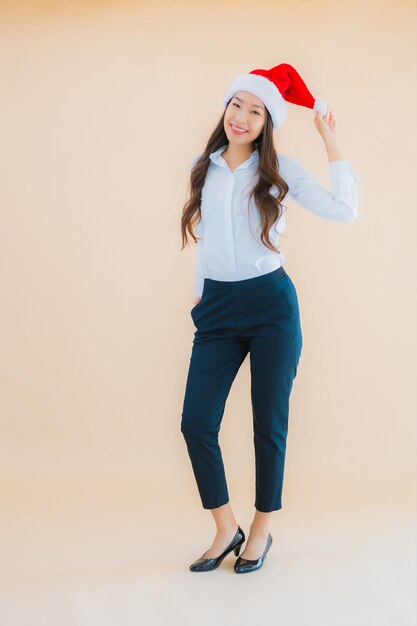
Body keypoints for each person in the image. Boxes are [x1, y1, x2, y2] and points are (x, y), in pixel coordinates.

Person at [179, 62, 358, 574]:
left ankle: (260, 529)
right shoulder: (203, 165)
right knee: (196, 423)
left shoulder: (279, 172)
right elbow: (208, 238)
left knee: (268, 423)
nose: (242, 117)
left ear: (267, 122)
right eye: (238, 104)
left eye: (256, 111)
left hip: (270, 305)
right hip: (216, 306)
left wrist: (332, 143)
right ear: (227, 106)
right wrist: (199, 294)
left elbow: (344, 210)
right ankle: (224, 527)